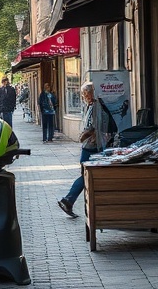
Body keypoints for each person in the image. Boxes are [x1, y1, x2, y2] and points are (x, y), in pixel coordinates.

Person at [57, 81, 105, 217]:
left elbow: (93, 127)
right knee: (85, 175)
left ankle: (69, 200)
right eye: (83, 93)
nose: (85, 96)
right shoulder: (90, 106)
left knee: (86, 175)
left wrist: (85, 136)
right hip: (89, 146)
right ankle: (69, 200)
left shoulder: (95, 106)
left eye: (87, 93)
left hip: (92, 146)